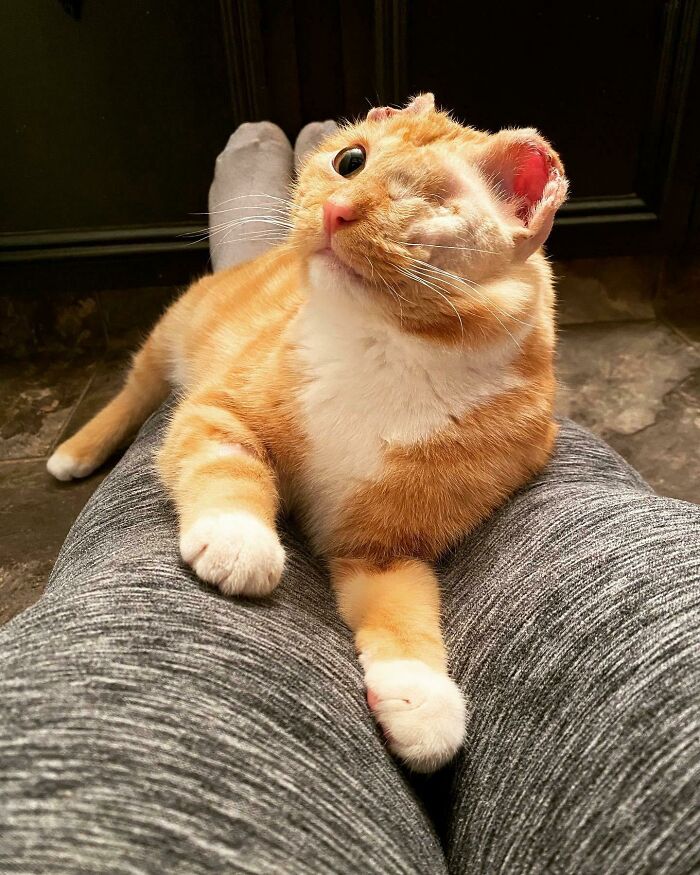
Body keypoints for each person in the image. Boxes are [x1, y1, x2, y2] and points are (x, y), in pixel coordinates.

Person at [1, 121, 698, 875]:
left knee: (527, 471)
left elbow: (383, 553)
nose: (342, 204)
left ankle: (250, 247)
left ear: (526, 207)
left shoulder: (499, 431)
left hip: (466, 355)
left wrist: (409, 661)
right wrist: (228, 508)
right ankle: (250, 260)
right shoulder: (332, 240)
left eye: (422, 191)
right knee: (174, 364)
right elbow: (218, 417)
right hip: (293, 314)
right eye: (350, 165)